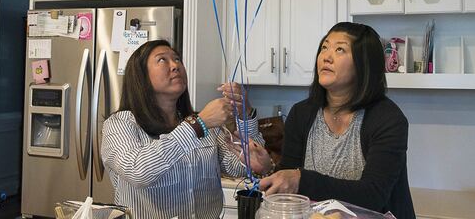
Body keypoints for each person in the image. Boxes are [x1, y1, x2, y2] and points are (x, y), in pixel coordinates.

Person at [259, 22, 416, 219]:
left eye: (340, 49)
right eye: (324, 47)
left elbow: (373, 195)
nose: (326, 56)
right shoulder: (301, 114)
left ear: (364, 63)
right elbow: (289, 185)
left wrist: (302, 179)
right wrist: (269, 168)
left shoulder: (388, 119)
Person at [101, 39, 270, 219]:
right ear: (140, 76)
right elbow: (138, 172)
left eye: (177, 59)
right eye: (162, 60)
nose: (175, 65)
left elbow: (236, 166)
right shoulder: (120, 123)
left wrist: (246, 114)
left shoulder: (204, 123)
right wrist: (197, 125)